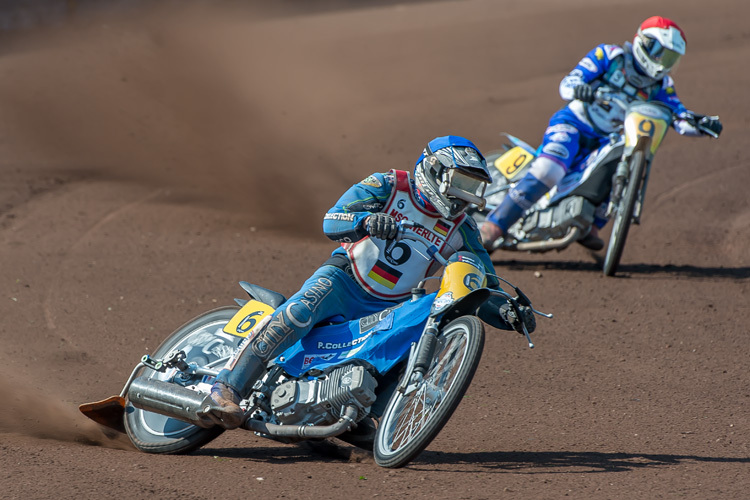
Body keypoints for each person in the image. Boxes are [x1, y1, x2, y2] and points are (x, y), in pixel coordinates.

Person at [205, 135, 536, 429]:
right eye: (460, 183)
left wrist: (508, 311)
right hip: (343, 280)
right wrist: (366, 221)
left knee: (403, 353)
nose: (464, 197)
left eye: (472, 189)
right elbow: (332, 219)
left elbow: (481, 283)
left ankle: (360, 416)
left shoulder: (464, 229)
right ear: (435, 171)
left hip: (392, 306)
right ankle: (228, 387)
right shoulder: (388, 185)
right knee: (298, 313)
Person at [479, 16, 723, 251]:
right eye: (662, 53)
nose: (663, 63)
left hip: (609, 139)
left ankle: (591, 224)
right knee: (549, 169)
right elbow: (569, 82)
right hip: (575, 123)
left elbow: (678, 117)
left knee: (622, 162)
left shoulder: (662, 86)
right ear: (645, 43)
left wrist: (704, 125)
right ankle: (494, 225)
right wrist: (581, 89)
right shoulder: (610, 55)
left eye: (671, 58)